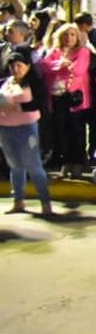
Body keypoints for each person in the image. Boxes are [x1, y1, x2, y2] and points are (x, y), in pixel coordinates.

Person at [0, 48, 55, 217]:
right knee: (15, 166)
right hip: (6, 128)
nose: (16, 69)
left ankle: (45, 201)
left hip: (27, 128)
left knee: (34, 165)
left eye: (19, 65)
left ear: (27, 66)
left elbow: (41, 105)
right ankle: (18, 200)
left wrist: (17, 107)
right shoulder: (5, 82)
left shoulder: (33, 84)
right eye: (12, 66)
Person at [39, 23, 92, 178]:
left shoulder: (83, 52)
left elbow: (78, 70)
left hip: (75, 98)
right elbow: (45, 66)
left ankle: (78, 163)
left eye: (72, 34)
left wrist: (63, 66)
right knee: (60, 131)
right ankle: (66, 162)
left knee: (77, 131)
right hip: (57, 97)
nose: (69, 38)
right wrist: (60, 64)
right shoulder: (54, 52)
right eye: (66, 35)